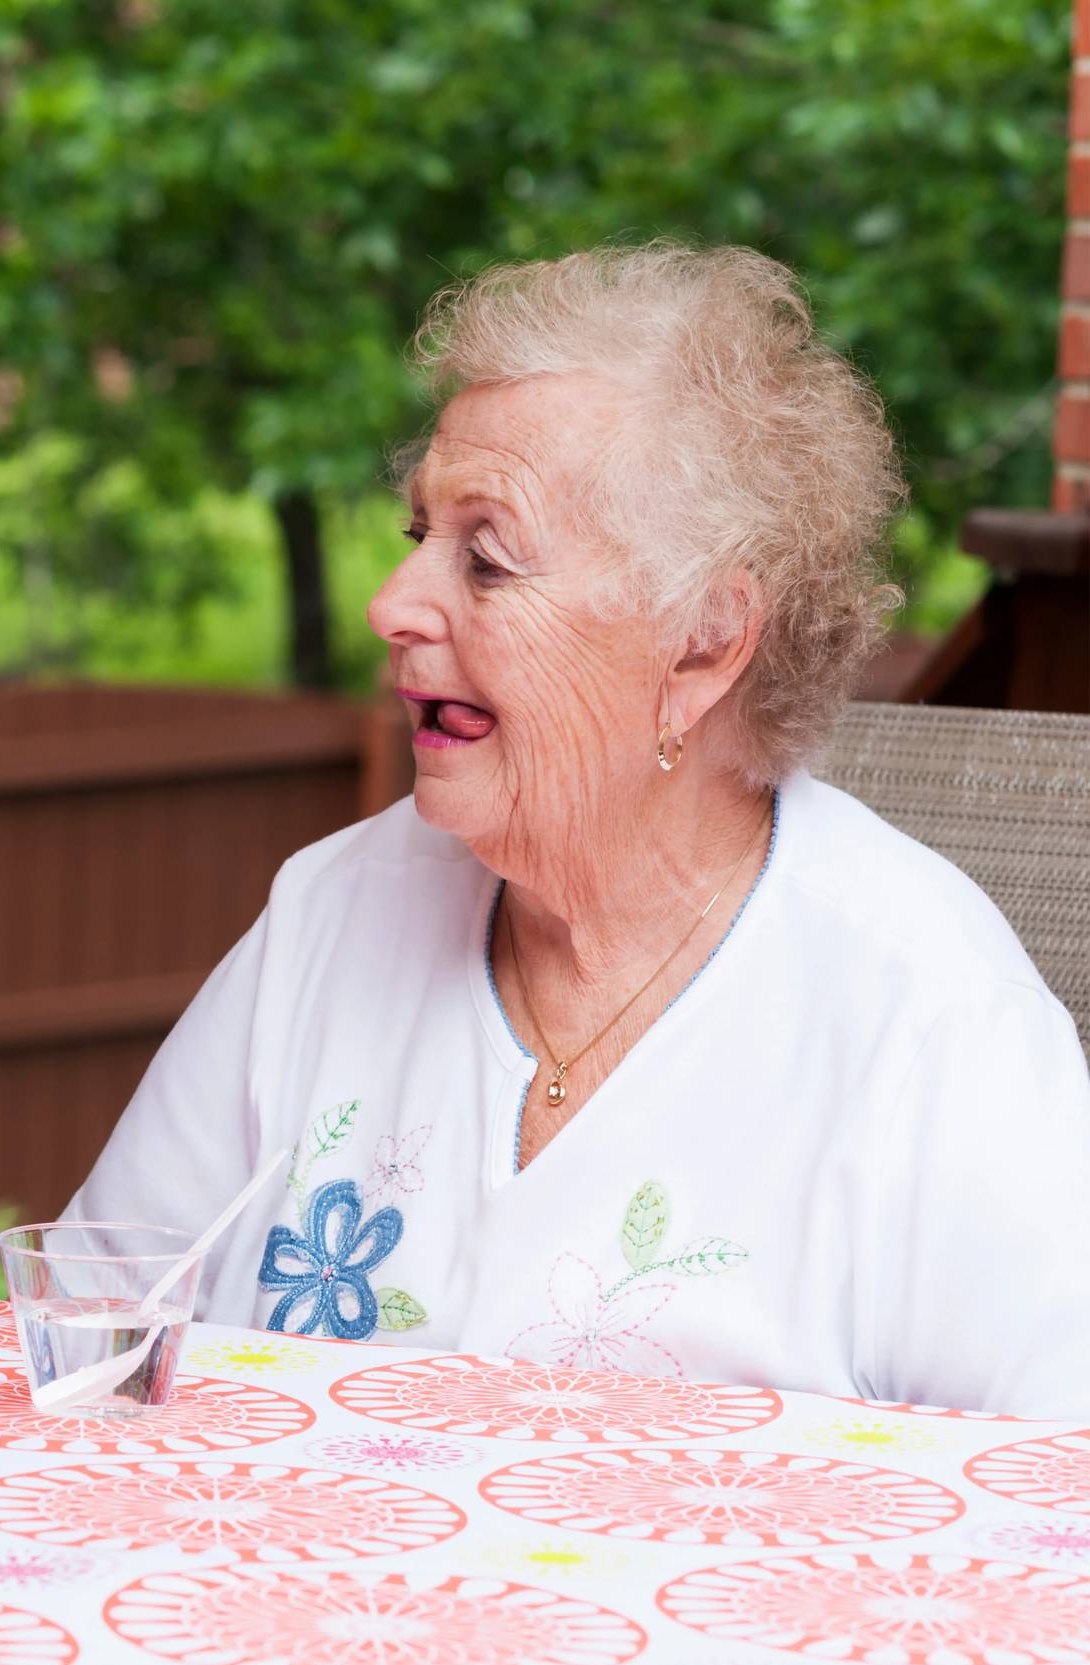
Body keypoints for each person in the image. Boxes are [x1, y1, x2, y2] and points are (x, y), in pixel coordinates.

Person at [70, 243, 1090, 1417]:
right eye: (418, 539)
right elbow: (98, 1344)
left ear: (705, 641)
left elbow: (1047, 1512)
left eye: (489, 560)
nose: (394, 605)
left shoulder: (931, 1024)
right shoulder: (331, 912)